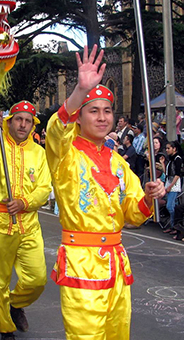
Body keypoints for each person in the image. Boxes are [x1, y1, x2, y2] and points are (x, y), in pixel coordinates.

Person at [45, 45, 165, 340]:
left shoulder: (120, 163)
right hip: (82, 264)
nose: (102, 117)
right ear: (80, 116)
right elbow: (55, 128)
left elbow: (133, 215)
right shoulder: (65, 153)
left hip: (117, 266)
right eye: (93, 111)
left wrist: (149, 196)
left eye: (108, 111)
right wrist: (80, 90)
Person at [0, 101, 51, 340]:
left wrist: (25, 202)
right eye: (18, 119)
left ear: (33, 124)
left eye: (28, 120)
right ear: (9, 121)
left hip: (28, 223)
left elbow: (45, 187)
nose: (23, 124)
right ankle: (5, 328)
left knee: (37, 278)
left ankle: (14, 304)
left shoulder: (39, 152)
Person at [163, 141, 183, 233]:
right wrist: (162, 163)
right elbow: (167, 172)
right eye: (166, 148)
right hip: (169, 182)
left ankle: (174, 225)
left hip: (174, 184)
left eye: (169, 148)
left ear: (174, 149)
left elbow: (177, 174)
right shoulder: (171, 159)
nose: (167, 150)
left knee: (170, 206)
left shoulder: (177, 159)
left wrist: (171, 186)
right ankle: (173, 225)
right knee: (172, 205)